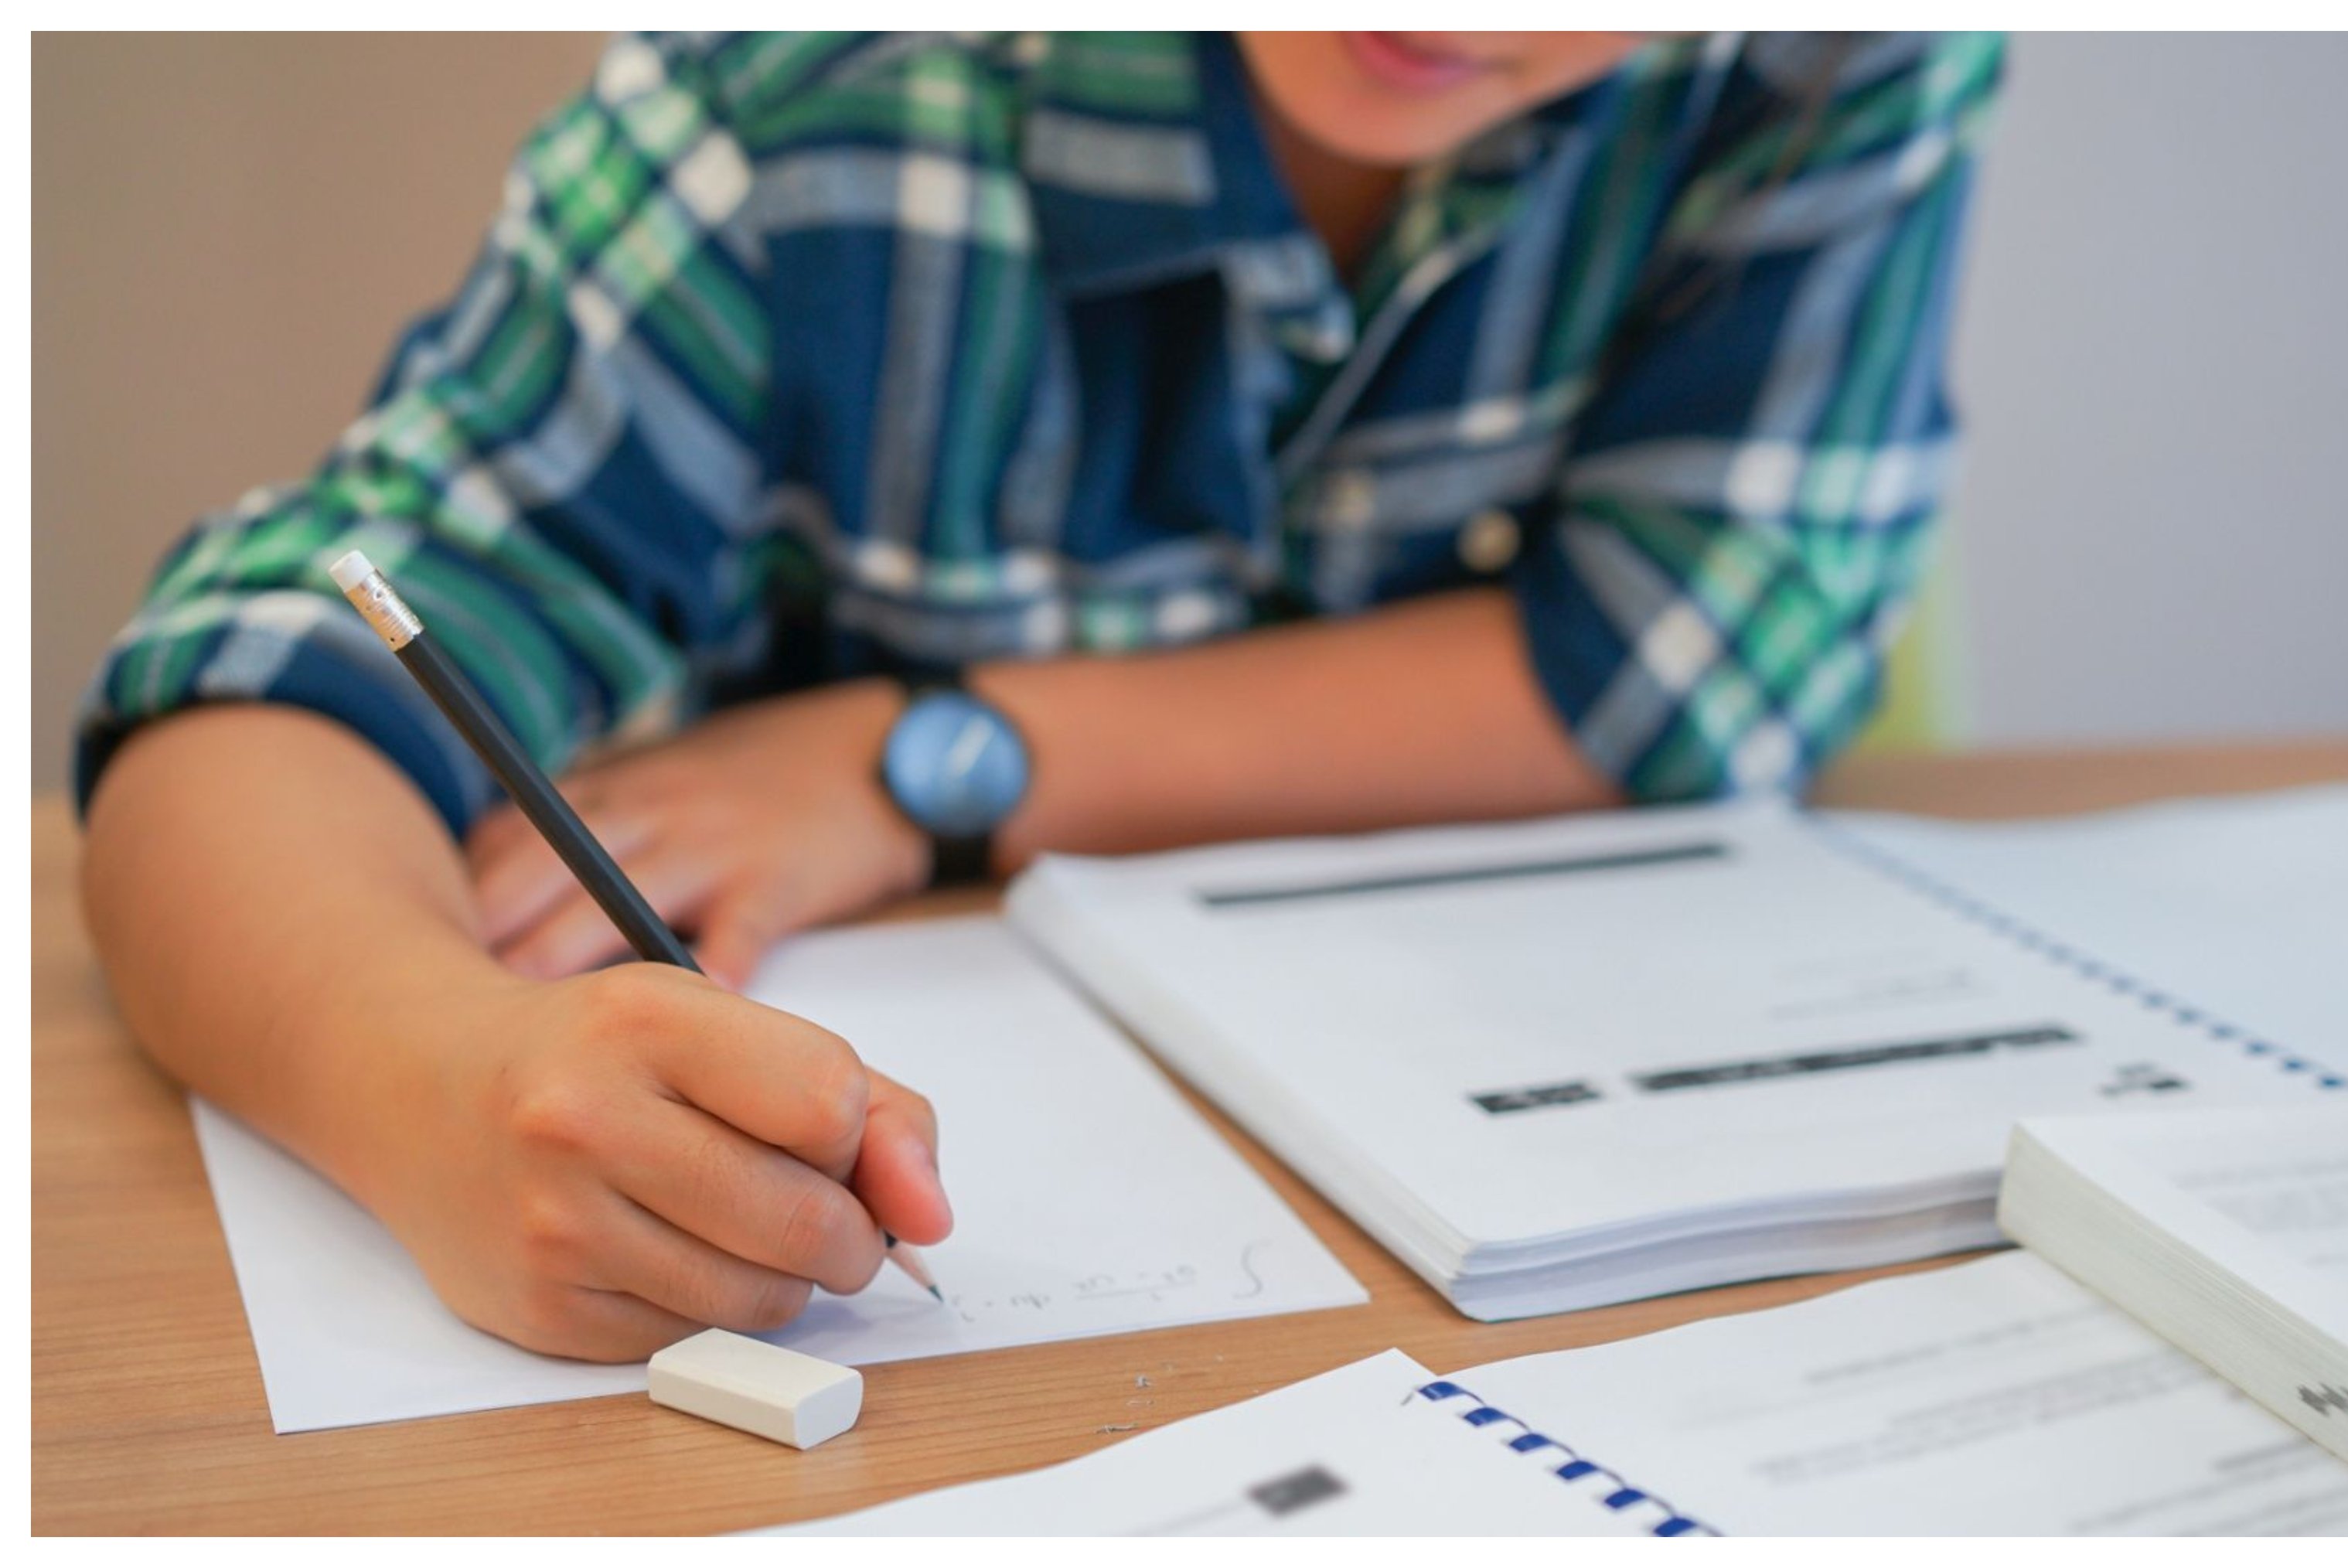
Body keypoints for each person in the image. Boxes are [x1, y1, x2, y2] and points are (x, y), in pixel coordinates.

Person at [77, 31, 2002, 1360]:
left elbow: (1681, 662)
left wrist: (921, 764)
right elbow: (263, 692)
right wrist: (433, 1083)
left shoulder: (1829, 60)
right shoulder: (808, 91)